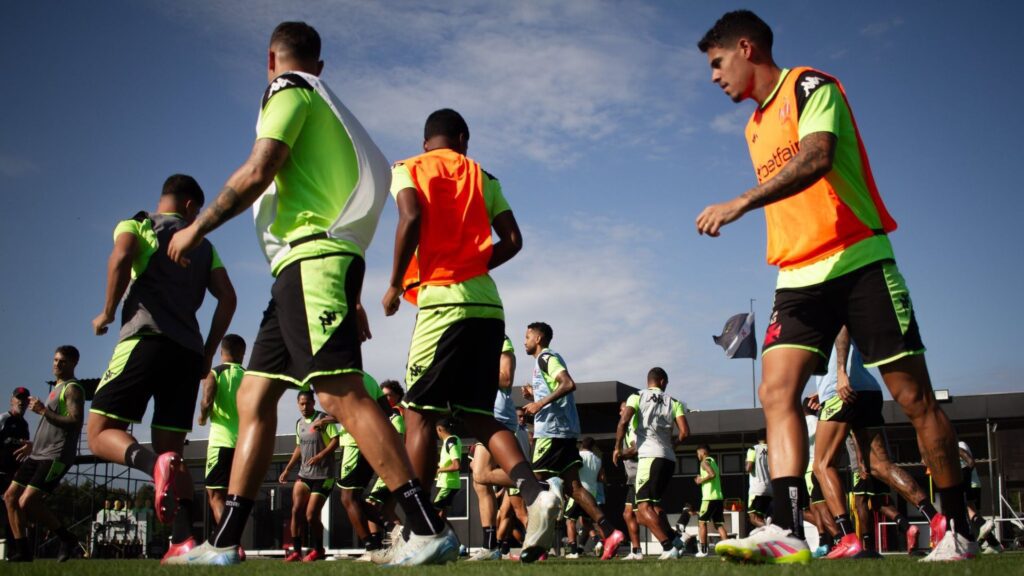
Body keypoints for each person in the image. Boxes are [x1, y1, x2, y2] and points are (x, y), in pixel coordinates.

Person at [165, 22, 456, 567]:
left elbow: (261, 167)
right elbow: (339, 204)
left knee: (339, 393)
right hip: (300, 270)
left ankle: (426, 528)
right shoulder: (322, 100)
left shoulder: (289, 89)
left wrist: (197, 227)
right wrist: (354, 295)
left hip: (312, 263)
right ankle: (224, 543)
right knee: (254, 399)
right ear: (319, 64)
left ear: (270, 59)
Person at [695, 9, 975, 563]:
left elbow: (818, 157)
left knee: (915, 399)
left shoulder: (810, 85)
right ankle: (786, 528)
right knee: (775, 392)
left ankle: (959, 529)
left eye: (717, 62)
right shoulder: (753, 128)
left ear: (746, 48)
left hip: (858, 259)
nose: (714, 77)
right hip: (797, 277)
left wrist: (742, 201)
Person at [380, 108, 558, 564]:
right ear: (463, 139)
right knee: (480, 416)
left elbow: (410, 215)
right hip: (488, 307)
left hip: (442, 306)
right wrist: (474, 265)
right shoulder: (483, 175)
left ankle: (415, 529)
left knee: (418, 415)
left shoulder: (408, 168)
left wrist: (395, 283)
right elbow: (513, 240)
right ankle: (536, 492)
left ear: (425, 142)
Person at [88, 173, 236, 563]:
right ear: (190, 205)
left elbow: (121, 256)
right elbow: (228, 298)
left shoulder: (139, 224)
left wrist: (107, 311)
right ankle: (183, 540)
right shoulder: (204, 245)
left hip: (145, 339)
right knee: (174, 451)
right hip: (187, 352)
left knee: (99, 434)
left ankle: (153, 465)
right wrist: (208, 352)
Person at [810, 327, 944, 559]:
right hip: (867, 390)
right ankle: (935, 518)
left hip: (840, 392)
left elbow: (841, 328)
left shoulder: (827, 309)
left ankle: (847, 538)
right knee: (881, 466)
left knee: (822, 465)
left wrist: (840, 374)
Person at [523, 322, 625, 561]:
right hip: (566, 431)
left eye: (527, 337)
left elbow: (568, 384)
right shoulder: (545, 361)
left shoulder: (546, 358)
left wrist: (539, 403)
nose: (524, 341)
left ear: (538, 338)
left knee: (534, 484)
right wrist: (535, 396)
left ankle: (538, 547)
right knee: (574, 488)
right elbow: (558, 392)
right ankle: (610, 533)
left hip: (551, 432)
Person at [3, 346, 85, 562]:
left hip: (56, 455)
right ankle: (22, 551)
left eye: (62, 361)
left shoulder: (72, 388)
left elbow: (76, 422)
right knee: (10, 497)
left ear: (74, 363)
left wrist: (43, 411)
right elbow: (50, 425)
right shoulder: (57, 387)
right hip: (38, 453)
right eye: (55, 360)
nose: (57, 364)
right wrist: (33, 444)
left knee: (27, 501)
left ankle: (67, 539)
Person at [614, 367, 689, 560]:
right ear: (662, 381)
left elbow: (623, 422)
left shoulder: (637, 396)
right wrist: (673, 445)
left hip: (649, 457)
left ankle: (668, 547)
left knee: (642, 510)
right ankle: (676, 541)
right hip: (668, 459)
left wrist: (617, 448)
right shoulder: (674, 402)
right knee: (649, 508)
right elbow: (685, 433)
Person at [467, 335, 527, 561]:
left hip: (497, 415)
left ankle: (537, 484)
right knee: (479, 481)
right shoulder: (476, 343)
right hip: (484, 414)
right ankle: (490, 546)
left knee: (481, 474)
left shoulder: (500, 339)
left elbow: (505, 378)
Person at [278, 391, 340, 562]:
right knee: (296, 511)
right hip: (304, 474)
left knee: (311, 515)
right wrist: (287, 469)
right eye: (301, 404)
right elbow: (299, 447)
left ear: (313, 403)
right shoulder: (299, 423)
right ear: (298, 404)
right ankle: (296, 551)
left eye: (307, 403)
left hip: (324, 476)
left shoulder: (323, 419)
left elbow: (336, 441)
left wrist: (320, 456)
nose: (304, 407)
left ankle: (319, 549)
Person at [198, 334, 247, 526]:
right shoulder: (249, 376)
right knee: (235, 498)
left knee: (216, 496)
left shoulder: (215, 373)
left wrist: (202, 418)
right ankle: (232, 537)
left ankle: (227, 539)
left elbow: (206, 401)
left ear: (221, 352)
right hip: (244, 446)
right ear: (242, 353)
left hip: (221, 443)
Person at [0, 387, 30, 554]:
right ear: (12, 400)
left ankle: (13, 552)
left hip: (12, 476)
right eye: (18, 398)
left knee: (11, 513)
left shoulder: (24, 425)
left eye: (24, 399)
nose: (21, 402)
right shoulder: (4, 419)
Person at [958, 441, 1002, 552]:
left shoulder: (958, 446)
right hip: (975, 484)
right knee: (974, 516)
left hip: (969, 484)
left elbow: (969, 463)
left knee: (970, 514)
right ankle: (995, 545)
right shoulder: (962, 444)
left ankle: (984, 525)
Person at [564, 437, 603, 558]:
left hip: (579, 492)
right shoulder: (598, 459)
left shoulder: (578, 456)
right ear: (593, 447)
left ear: (581, 445)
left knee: (570, 520)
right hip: (592, 494)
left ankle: (573, 551)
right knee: (586, 522)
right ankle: (598, 542)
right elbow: (600, 478)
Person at [616, 401, 644, 560]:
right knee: (628, 514)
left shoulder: (633, 427)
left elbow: (635, 449)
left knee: (644, 515)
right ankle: (636, 551)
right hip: (633, 478)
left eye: (622, 410)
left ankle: (674, 539)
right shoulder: (628, 429)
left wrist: (619, 453)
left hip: (640, 476)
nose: (620, 413)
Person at [694, 445, 729, 557]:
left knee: (702, 523)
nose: (697, 456)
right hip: (718, 498)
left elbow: (712, 474)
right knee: (718, 524)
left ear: (702, 452)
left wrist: (701, 480)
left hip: (709, 498)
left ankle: (704, 551)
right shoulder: (713, 462)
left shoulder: (704, 462)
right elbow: (715, 476)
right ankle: (728, 550)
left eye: (698, 453)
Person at [433, 419, 463, 519]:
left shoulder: (451, 441)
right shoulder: (449, 441)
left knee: (433, 513)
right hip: (447, 484)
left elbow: (456, 465)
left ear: (439, 429)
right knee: (442, 515)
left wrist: (439, 470)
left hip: (448, 485)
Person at [746, 432, 772, 531]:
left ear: (758, 439)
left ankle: (770, 530)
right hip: (770, 489)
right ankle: (769, 533)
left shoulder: (753, 449)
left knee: (753, 518)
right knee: (763, 516)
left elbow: (748, 468)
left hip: (757, 489)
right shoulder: (772, 449)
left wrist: (746, 463)